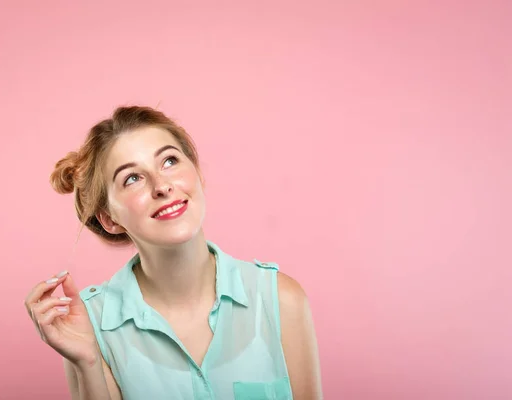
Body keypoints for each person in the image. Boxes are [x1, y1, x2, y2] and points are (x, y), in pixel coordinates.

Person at [24, 106, 323, 399]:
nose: (162, 186)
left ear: (197, 173)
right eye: (132, 178)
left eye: (169, 161)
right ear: (110, 219)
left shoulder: (280, 299)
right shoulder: (89, 326)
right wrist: (88, 364)